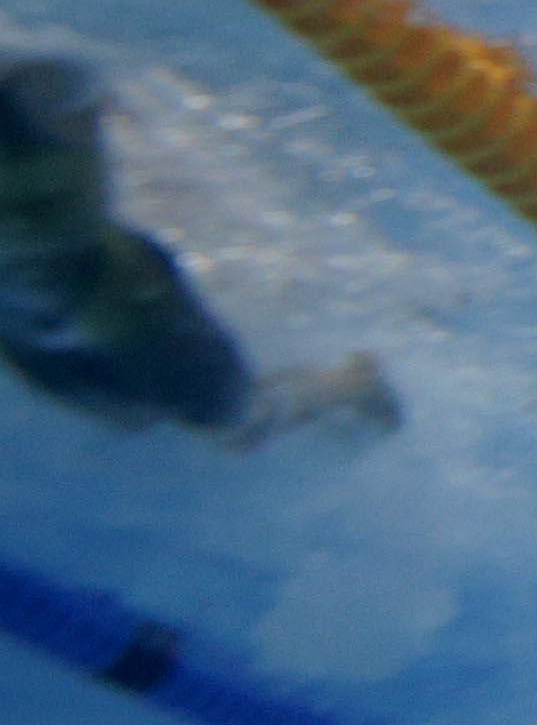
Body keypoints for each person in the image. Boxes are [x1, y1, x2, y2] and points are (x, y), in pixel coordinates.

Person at [0, 56, 396, 447]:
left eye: (44, 203)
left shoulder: (124, 298)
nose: (24, 225)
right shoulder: (54, 230)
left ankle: (353, 384)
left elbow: (232, 414)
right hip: (48, 337)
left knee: (229, 419)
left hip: (98, 349)